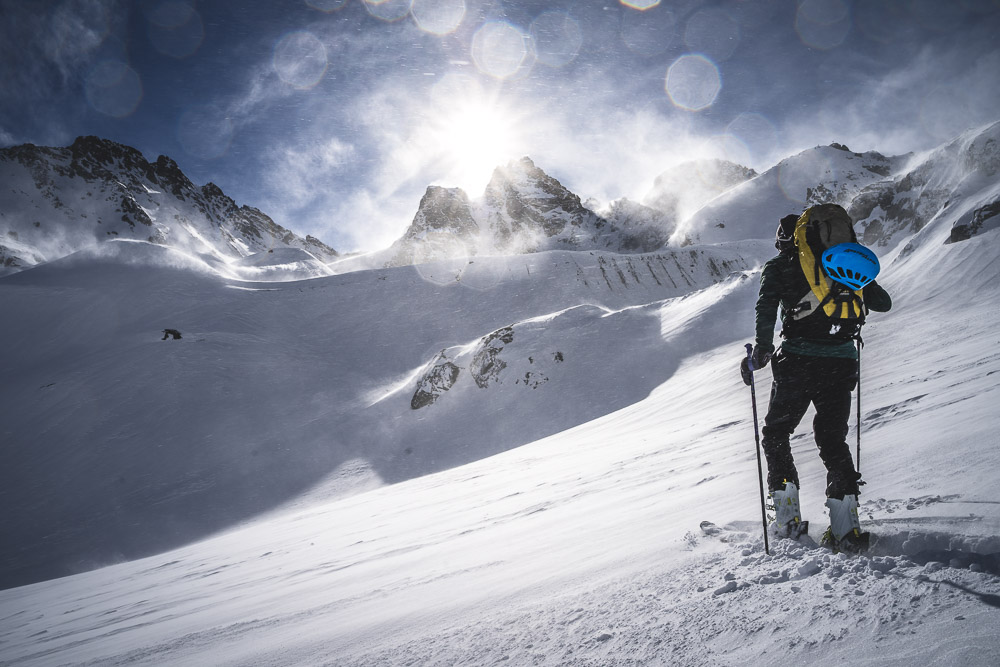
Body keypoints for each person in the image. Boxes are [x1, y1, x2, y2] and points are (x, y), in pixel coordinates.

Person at [749, 210, 892, 551]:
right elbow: (882, 303)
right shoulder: (840, 264)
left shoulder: (780, 266)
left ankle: (786, 520)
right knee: (831, 438)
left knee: (777, 434)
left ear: (791, 238)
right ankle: (846, 529)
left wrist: (763, 350)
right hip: (841, 363)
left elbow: (766, 306)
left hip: (797, 362)